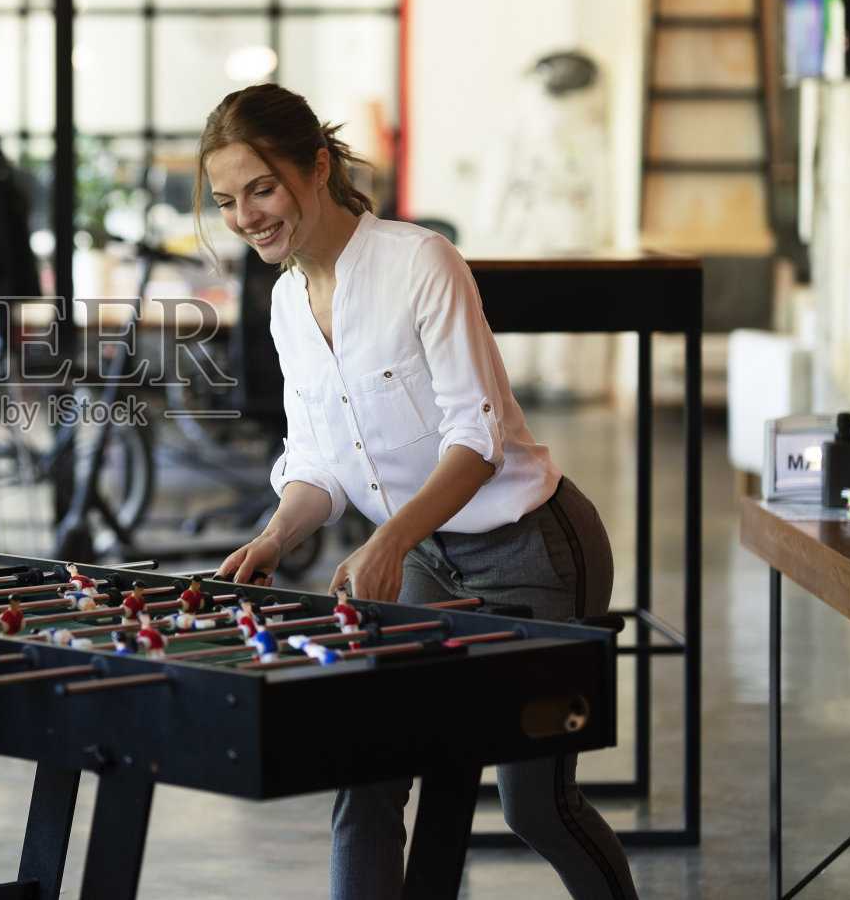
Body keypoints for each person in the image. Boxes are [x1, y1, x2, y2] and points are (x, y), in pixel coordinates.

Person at [198, 83, 637, 900]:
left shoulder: (420, 262)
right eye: (226, 200)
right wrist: (273, 537)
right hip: (429, 557)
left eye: (261, 188)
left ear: (316, 167)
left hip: (533, 553)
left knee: (535, 806)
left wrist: (387, 540)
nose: (247, 215)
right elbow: (320, 462)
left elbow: (478, 440)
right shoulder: (287, 302)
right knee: (364, 777)